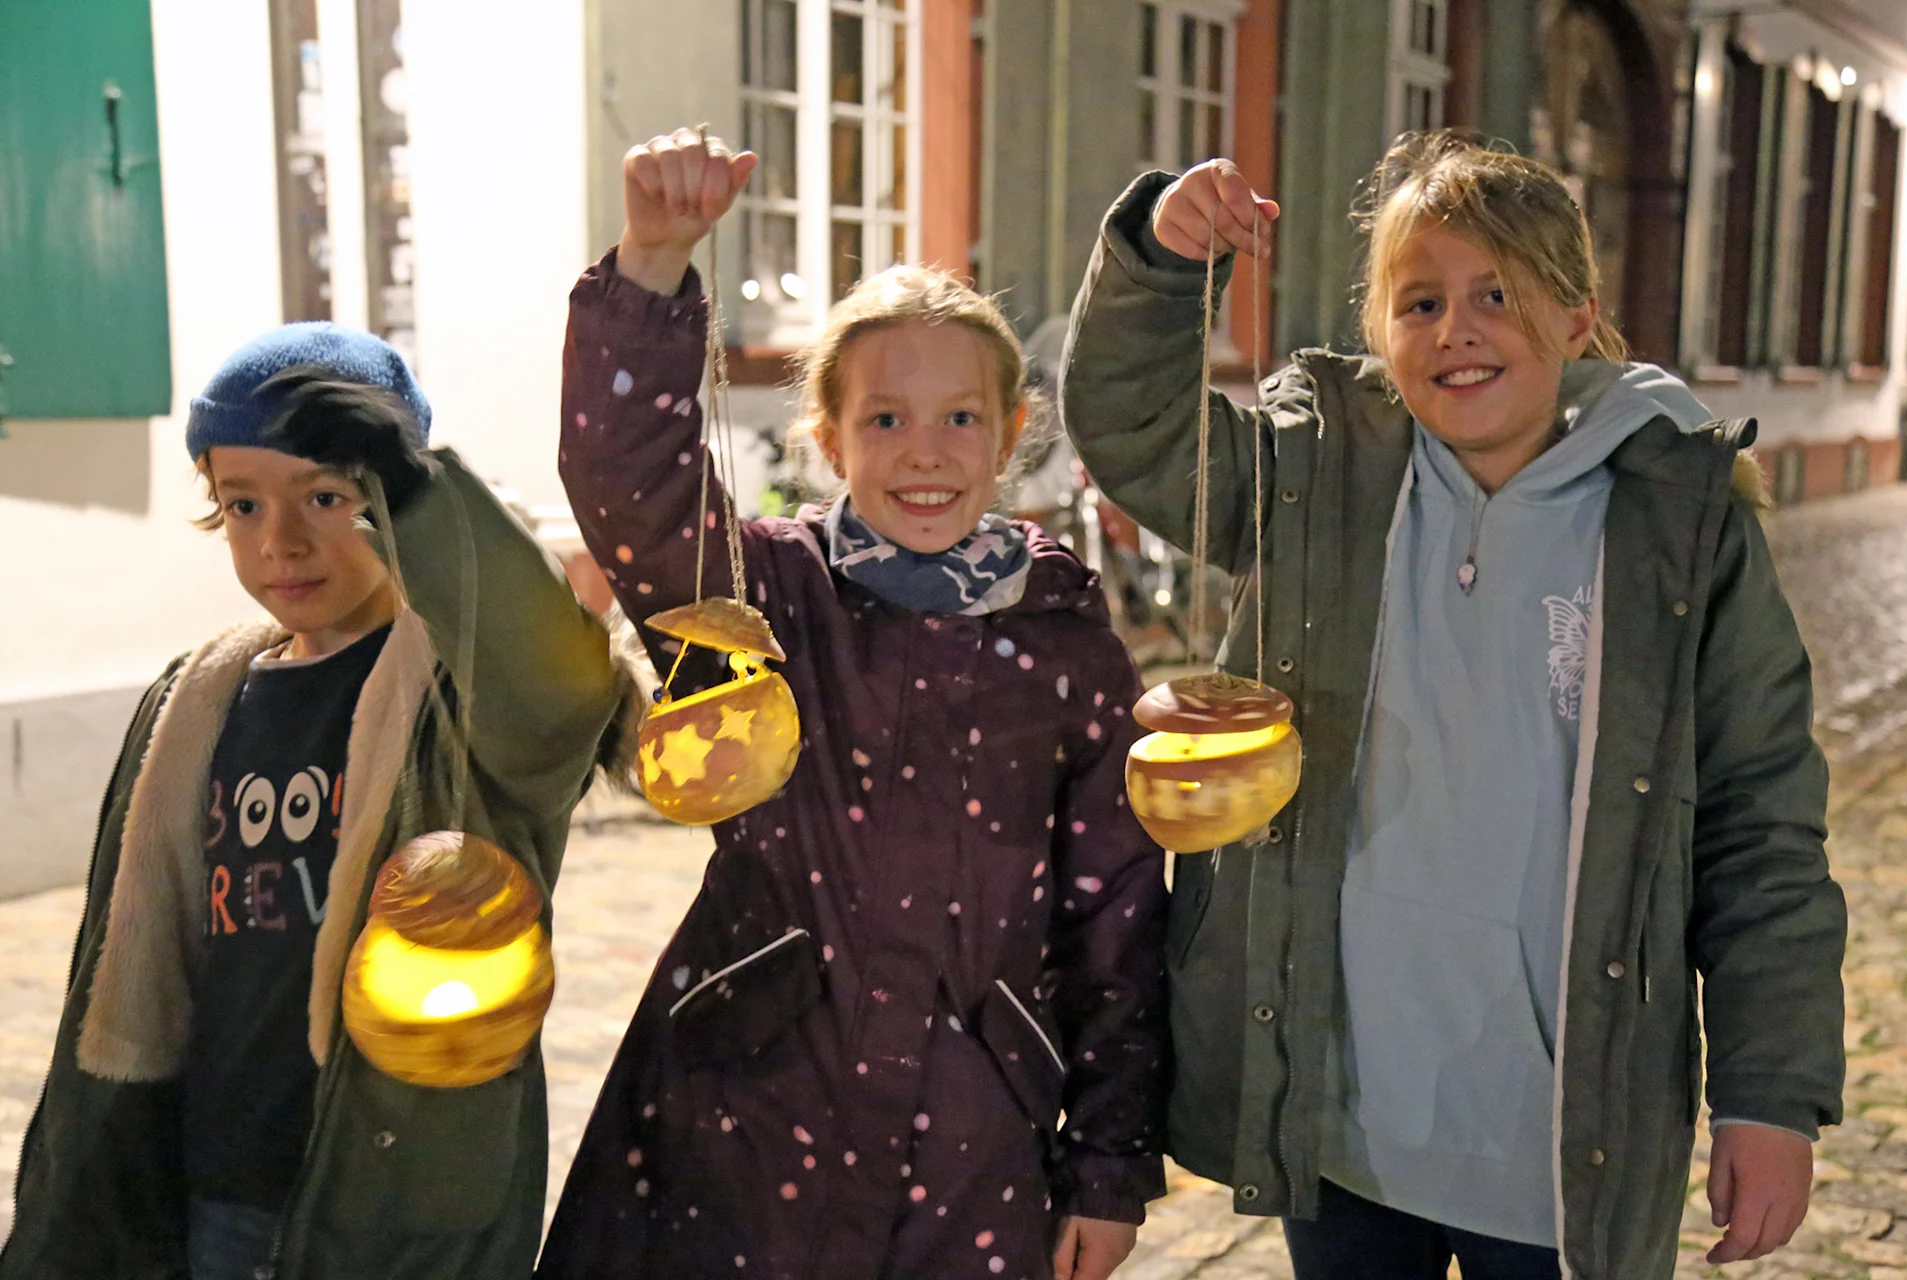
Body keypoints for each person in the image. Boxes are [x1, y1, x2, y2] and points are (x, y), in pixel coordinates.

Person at [1056, 132, 1847, 1279]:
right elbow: (1138, 435)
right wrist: (1164, 266)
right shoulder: (1315, 474)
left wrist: (1769, 1095)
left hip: (1558, 1140)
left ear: (1577, 320)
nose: (1456, 328)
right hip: (1337, 1117)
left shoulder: (1683, 527)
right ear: (1382, 332)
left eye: (1497, 295)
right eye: (1418, 300)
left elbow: (1762, 823)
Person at [536, 128, 1168, 1280]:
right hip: (751, 1109)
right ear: (826, 437)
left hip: (974, 1142)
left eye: (960, 417)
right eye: (885, 418)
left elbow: (1116, 921)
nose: (924, 450)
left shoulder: (1066, 643)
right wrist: (651, 263)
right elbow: (630, 482)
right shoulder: (759, 593)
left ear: (1011, 432)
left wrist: (1110, 1164)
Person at [2, 325, 639, 1280]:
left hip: (388, 1191)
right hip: (216, 1180)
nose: (281, 541)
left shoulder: (457, 698)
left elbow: (557, 685)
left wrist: (429, 494)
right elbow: (141, 957)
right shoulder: (200, 700)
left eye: (329, 496)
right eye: (243, 505)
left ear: (393, 501)